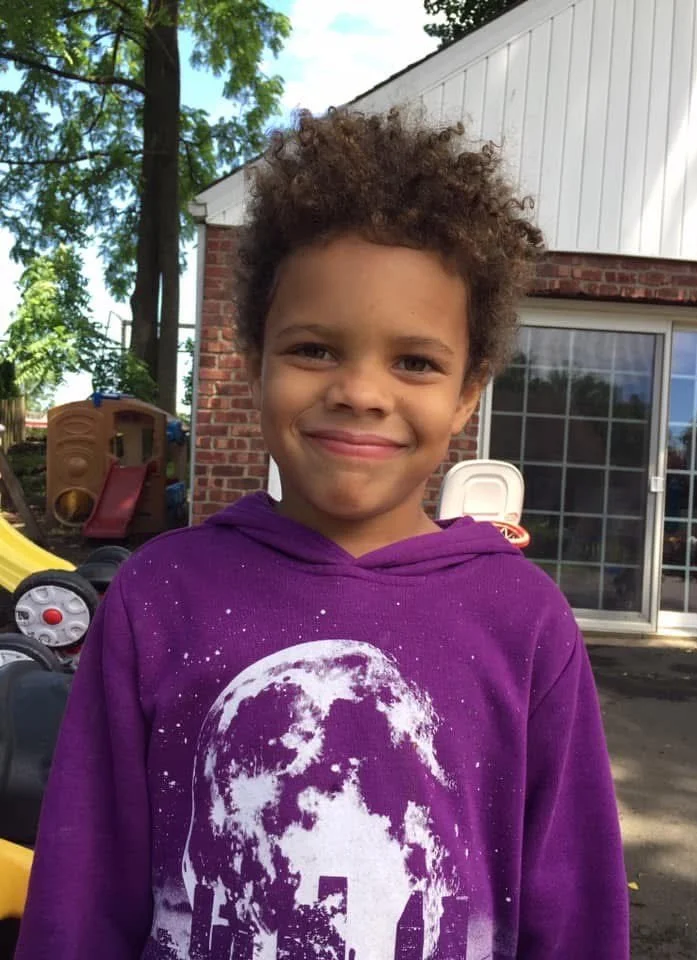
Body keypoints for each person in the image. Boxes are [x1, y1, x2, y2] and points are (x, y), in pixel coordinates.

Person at [16, 108, 629, 960]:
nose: (361, 392)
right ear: (253, 358)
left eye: (414, 361)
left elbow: (576, 913)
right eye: (313, 349)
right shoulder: (156, 598)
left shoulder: (525, 623)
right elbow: (81, 897)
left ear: (467, 392)